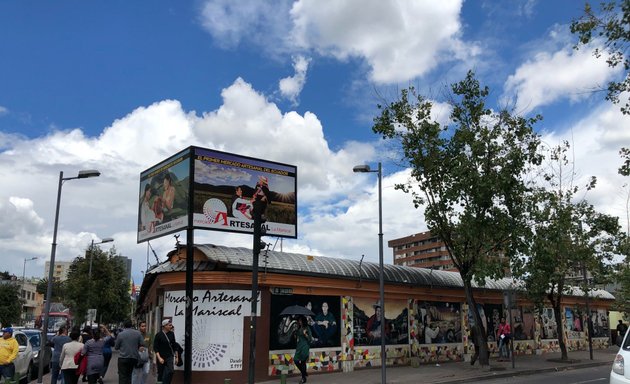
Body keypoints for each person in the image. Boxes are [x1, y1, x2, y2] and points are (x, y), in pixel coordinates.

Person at [114, 319, 145, 384]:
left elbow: (116, 347)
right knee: (130, 375)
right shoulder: (138, 333)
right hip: (133, 358)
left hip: (123, 358)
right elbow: (142, 343)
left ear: (124, 325)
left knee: (122, 376)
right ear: (132, 325)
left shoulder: (120, 334)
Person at [153, 320, 175, 384]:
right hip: (161, 356)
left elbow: (174, 345)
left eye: (171, 325)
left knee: (171, 371)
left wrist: (176, 356)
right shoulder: (158, 335)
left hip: (169, 356)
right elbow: (155, 347)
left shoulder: (172, 334)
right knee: (160, 372)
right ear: (164, 326)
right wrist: (159, 358)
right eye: (169, 325)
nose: (171, 326)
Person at [293, 316, 312, 384]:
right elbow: (297, 338)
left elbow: (310, 339)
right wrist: (295, 334)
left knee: (303, 362)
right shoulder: (299, 328)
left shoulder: (307, 328)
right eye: (299, 320)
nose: (299, 322)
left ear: (303, 321)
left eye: (300, 320)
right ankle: (304, 372)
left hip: (305, 347)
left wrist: (305, 334)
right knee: (295, 360)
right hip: (299, 347)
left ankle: (303, 378)